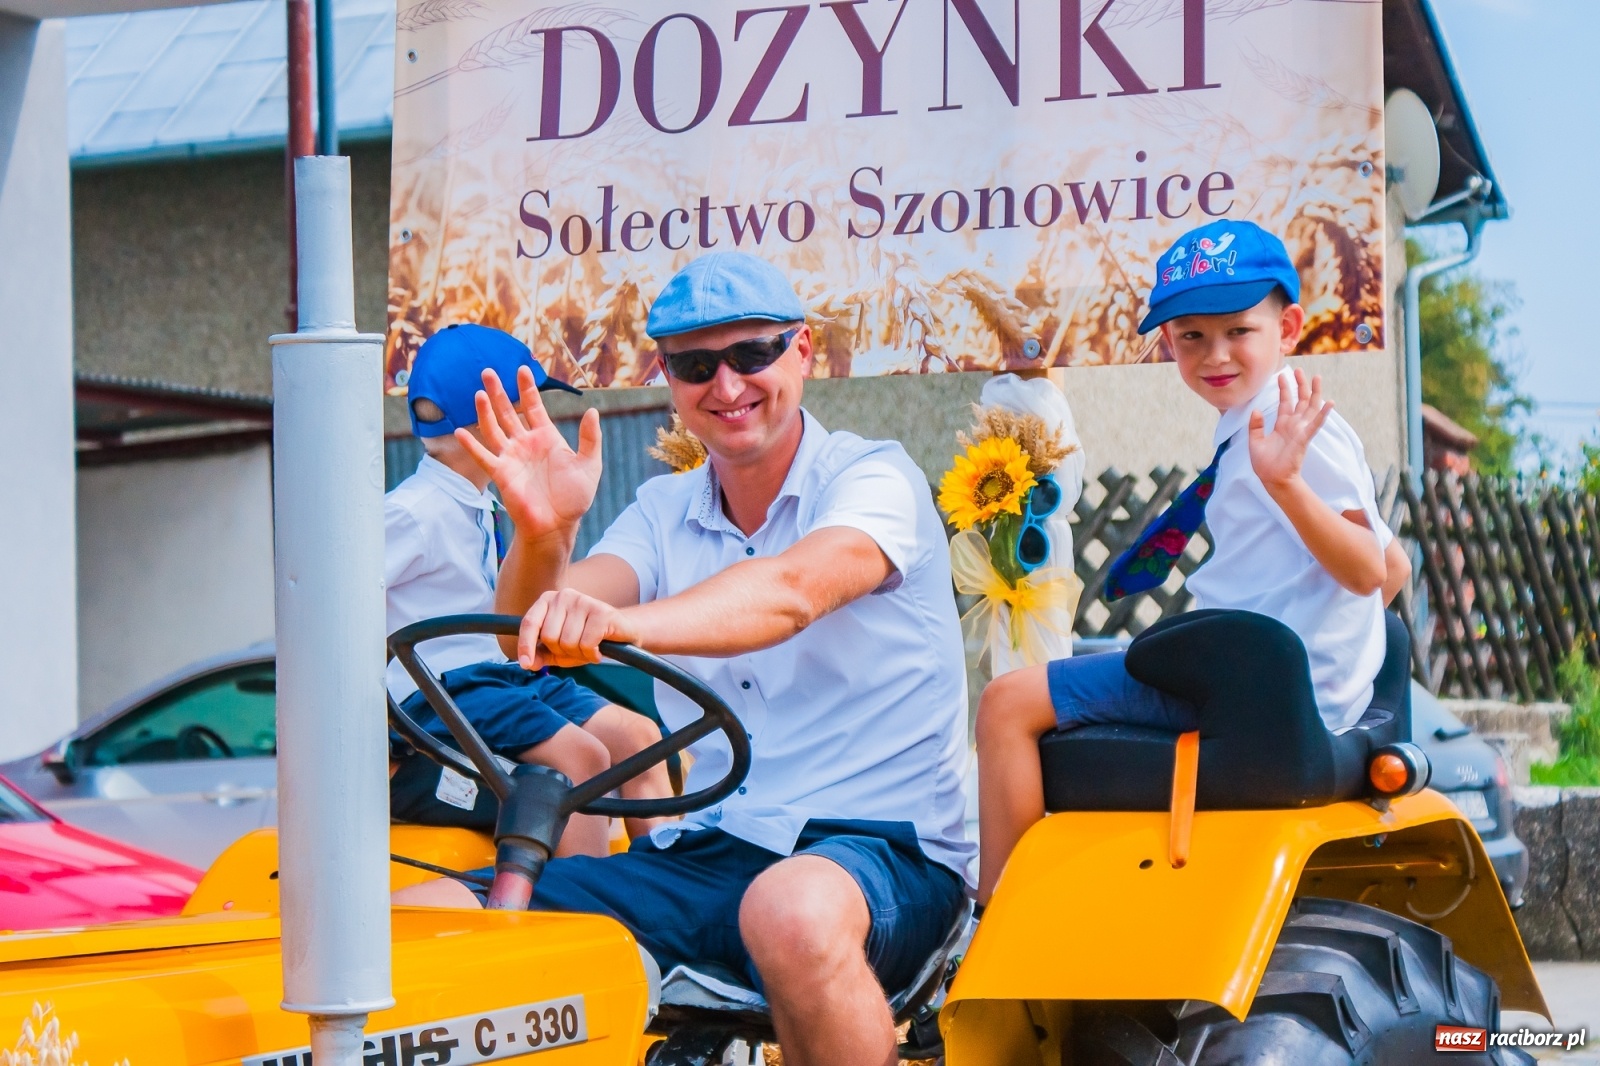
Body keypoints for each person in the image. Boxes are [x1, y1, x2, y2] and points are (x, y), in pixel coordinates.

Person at [394, 253, 973, 1066]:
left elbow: (791, 592)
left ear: (802, 352)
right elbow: (520, 627)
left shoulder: (875, 478)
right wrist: (544, 536)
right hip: (714, 855)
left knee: (790, 910)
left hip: (887, 854)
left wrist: (616, 624)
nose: (728, 386)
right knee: (421, 915)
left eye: (752, 355)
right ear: (668, 379)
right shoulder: (664, 510)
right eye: (698, 366)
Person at [974, 220, 1413, 904]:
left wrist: (1288, 489)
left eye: (1239, 330)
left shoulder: (1289, 434)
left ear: (1289, 326)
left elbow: (1366, 573)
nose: (1216, 355)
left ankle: (1001, 916)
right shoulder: (1265, 423)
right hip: (1264, 686)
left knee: (1007, 704)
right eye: (1192, 337)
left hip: (1250, 698)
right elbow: (1397, 570)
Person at [385, 323, 669, 855]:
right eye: (527, 406)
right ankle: (579, 904)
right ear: (493, 417)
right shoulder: (411, 513)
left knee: (640, 739)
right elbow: (334, 611)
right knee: (582, 757)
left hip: (503, 677)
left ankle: (667, 878)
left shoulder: (483, 502)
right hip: (446, 690)